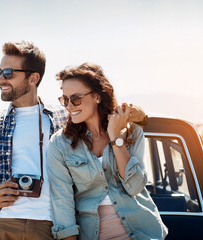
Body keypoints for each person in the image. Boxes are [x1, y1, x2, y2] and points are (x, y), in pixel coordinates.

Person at [0, 41, 148, 240]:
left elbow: (110, 113)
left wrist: (134, 112)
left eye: (8, 73)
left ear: (33, 78)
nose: (1, 79)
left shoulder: (67, 116)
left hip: (52, 226)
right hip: (1, 223)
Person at [47, 62, 168, 240]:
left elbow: (134, 186)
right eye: (65, 99)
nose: (69, 106)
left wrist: (115, 136)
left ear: (97, 96)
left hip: (142, 233)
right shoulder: (60, 143)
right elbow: (62, 202)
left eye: (76, 99)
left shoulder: (132, 132)